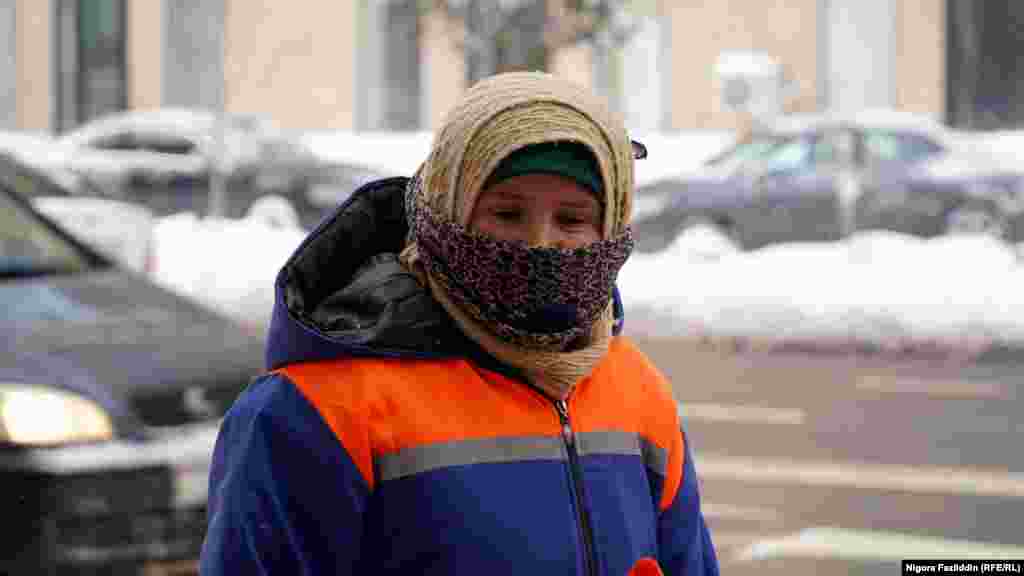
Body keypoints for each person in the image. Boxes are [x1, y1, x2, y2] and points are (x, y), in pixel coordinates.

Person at [200, 71, 719, 576]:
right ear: (447, 210)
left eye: (572, 219)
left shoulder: (638, 392)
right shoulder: (314, 411)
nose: (541, 243)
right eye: (507, 214)